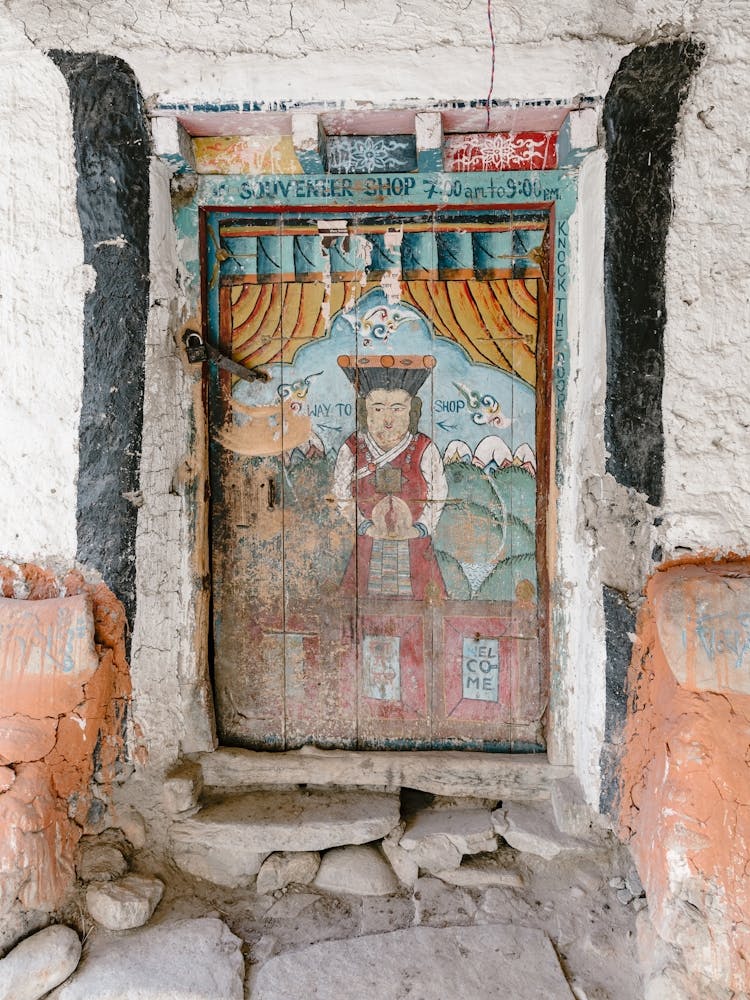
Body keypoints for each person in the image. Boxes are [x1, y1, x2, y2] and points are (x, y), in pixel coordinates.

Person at [333, 354, 447, 600]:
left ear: (411, 411)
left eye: (397, 409)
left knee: (425, 610)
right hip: (368, 543)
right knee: (358, 609)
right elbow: (341, 492)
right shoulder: (353, 447)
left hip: (415, 544)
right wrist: (363, 525)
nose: (387, 419)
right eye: (378, 408)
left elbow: (438, 492)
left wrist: (420, 528)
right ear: (365, 411)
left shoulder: (424, 448)